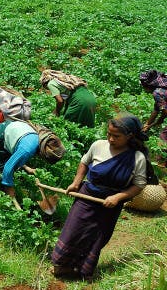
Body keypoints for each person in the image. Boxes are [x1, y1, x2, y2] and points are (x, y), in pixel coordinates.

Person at [51, 114, 152, 280]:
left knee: (96, 236)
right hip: (86, 196)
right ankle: (62, 267)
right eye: (109, 134)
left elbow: (139, 185)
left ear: (130, 136)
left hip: (109, 205)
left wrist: (118, 197)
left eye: (116, 136)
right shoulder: (98, 146)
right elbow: (84, 162)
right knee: (73, 231)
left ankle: (82, 270)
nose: (111, 139)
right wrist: (76, 182)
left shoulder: (137, 158)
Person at [0, 120, 65, 204]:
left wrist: (27, 168)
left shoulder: (38, 140)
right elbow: (8, 168)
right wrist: (9, 188)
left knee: (10, 163)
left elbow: (18, 153)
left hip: (9, 131)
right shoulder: (28, 150)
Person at [139, 69, 167, 141]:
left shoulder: (157, 93)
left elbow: (165, 112)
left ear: (147, 86)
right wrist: (147, 124)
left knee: (163, 138)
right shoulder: (163, 83)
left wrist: (159, 120)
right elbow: (156, 110)